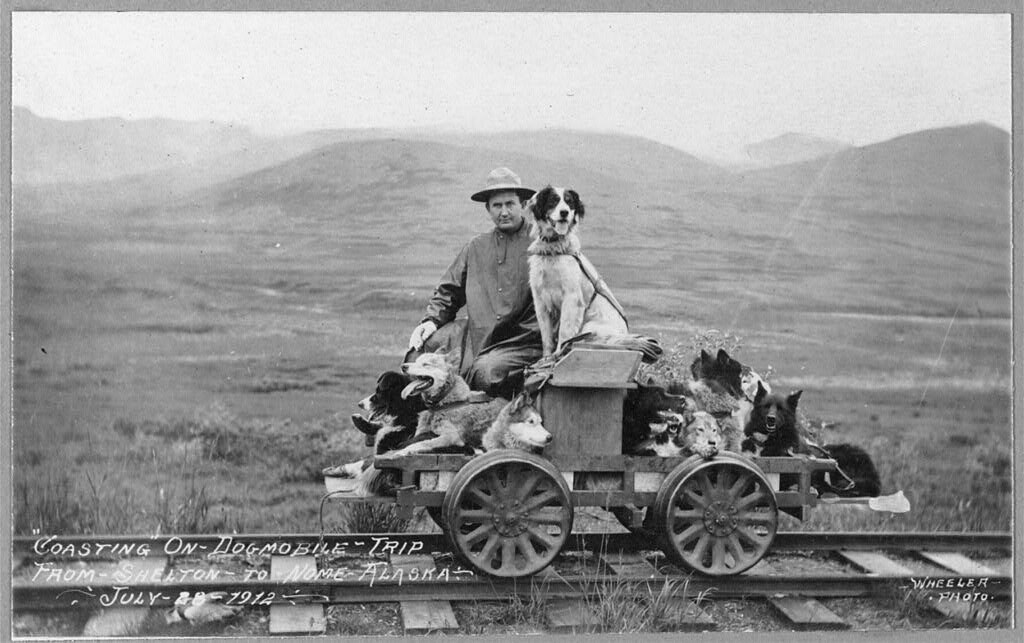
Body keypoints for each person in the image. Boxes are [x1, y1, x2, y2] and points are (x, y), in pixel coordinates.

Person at [407, 167, 543, 397]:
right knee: (418, 356)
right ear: (488, 209)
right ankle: (411, 425)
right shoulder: (476, 247)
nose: (504, 212)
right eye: (497, 206)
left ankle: (482, 424)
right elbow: (449, 290)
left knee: (486, 372)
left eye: (510, 204)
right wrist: (431, 320)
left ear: (523, 205)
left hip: (523, 341)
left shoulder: (540, 243)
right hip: (476, 336)